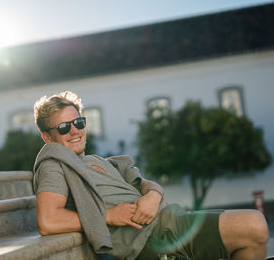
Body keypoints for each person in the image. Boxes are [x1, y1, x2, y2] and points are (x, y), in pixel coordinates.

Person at [32, 91, 269, 260]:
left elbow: (148, 184)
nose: (75, 130)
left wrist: (153, 195)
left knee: (254, 236)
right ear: (47, 137)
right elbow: (48, 221)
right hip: (152, 238)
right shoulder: (55, 162)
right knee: (254, 225)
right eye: (64, 127)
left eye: (79, 122)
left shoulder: (98, 161)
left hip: (169, 219)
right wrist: (109, 215)